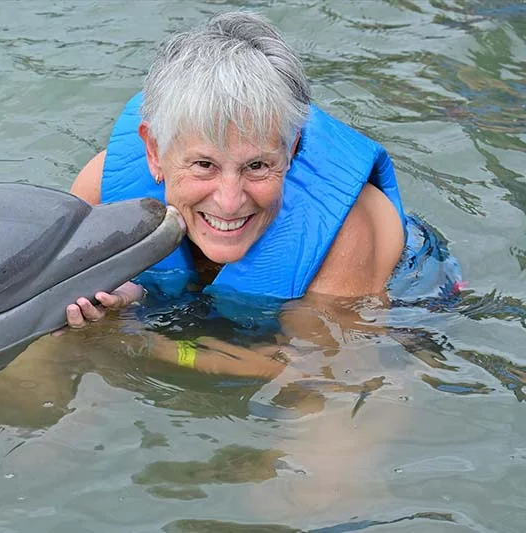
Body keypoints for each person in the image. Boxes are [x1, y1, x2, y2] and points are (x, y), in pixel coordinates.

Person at [62, 11, 457, 374]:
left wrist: (147, 343)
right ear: (154, 151)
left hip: (411, 299)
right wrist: (123, 302)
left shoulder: (342, 233)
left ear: (293, 148)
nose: (229, 201)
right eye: (204, 165)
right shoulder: (102, 192)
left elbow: (314, 374)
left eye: (257, 166)